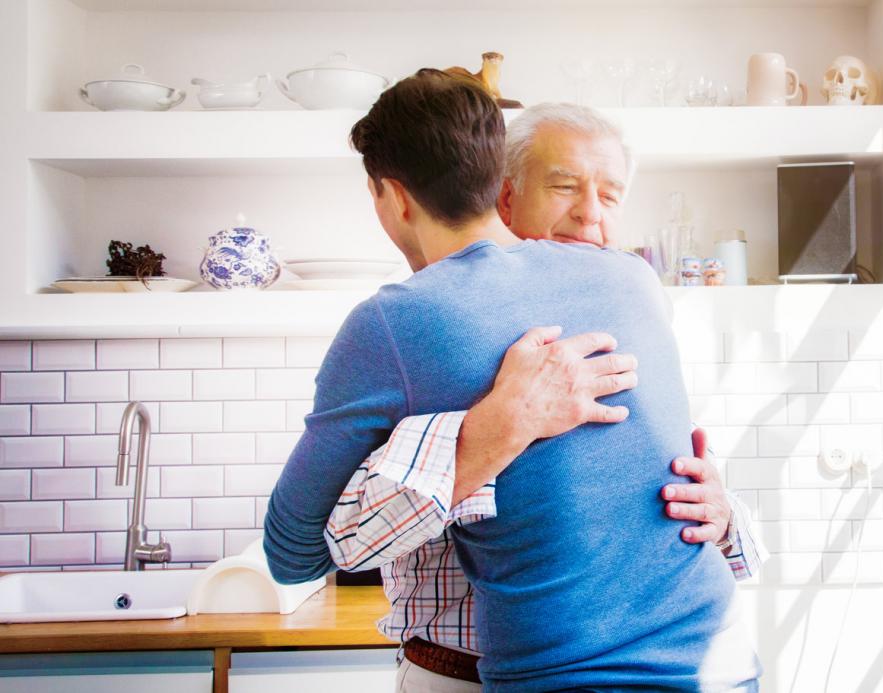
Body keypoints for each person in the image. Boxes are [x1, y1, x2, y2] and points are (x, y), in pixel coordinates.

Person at [265, 71, 760, 690]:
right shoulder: (633, 281)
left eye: (609, 197)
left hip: (564, 677)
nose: (589, 220)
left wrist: (723, 509)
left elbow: (292, 553)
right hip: (721, 661)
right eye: (563, 189)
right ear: (500, 189)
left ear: (392, 196)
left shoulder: (393, 322)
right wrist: (491, 429)